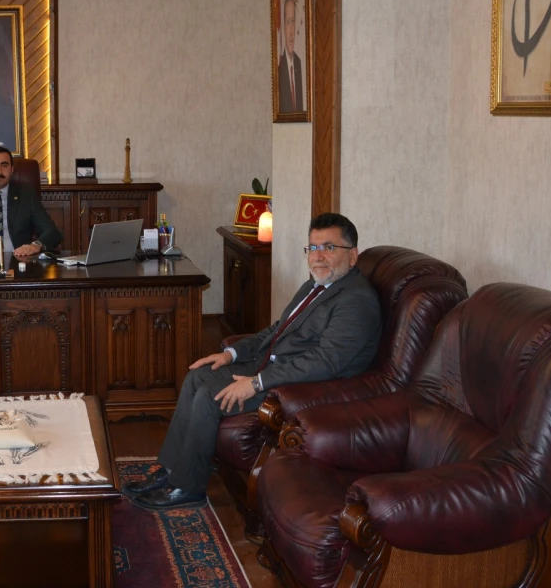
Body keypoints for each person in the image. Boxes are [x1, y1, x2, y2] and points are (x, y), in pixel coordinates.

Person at [126, 212, 380, 510]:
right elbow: (277, 330)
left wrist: (256, 383)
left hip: (302, 386)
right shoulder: (316, 285)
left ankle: (187, 488)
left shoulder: (355, 300)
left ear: (352, 255)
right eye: (312, 247)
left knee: (209, 394)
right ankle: (171, 471)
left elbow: (325, 363)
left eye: (329, 247)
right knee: (199, 375)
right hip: (272, 366)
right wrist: (231, 354)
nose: (318, 256)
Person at [277, 0, 306, 116]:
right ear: (283, 26)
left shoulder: (298, 63)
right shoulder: (279, 69)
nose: (291, 31)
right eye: (288, 22)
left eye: (293, 21)